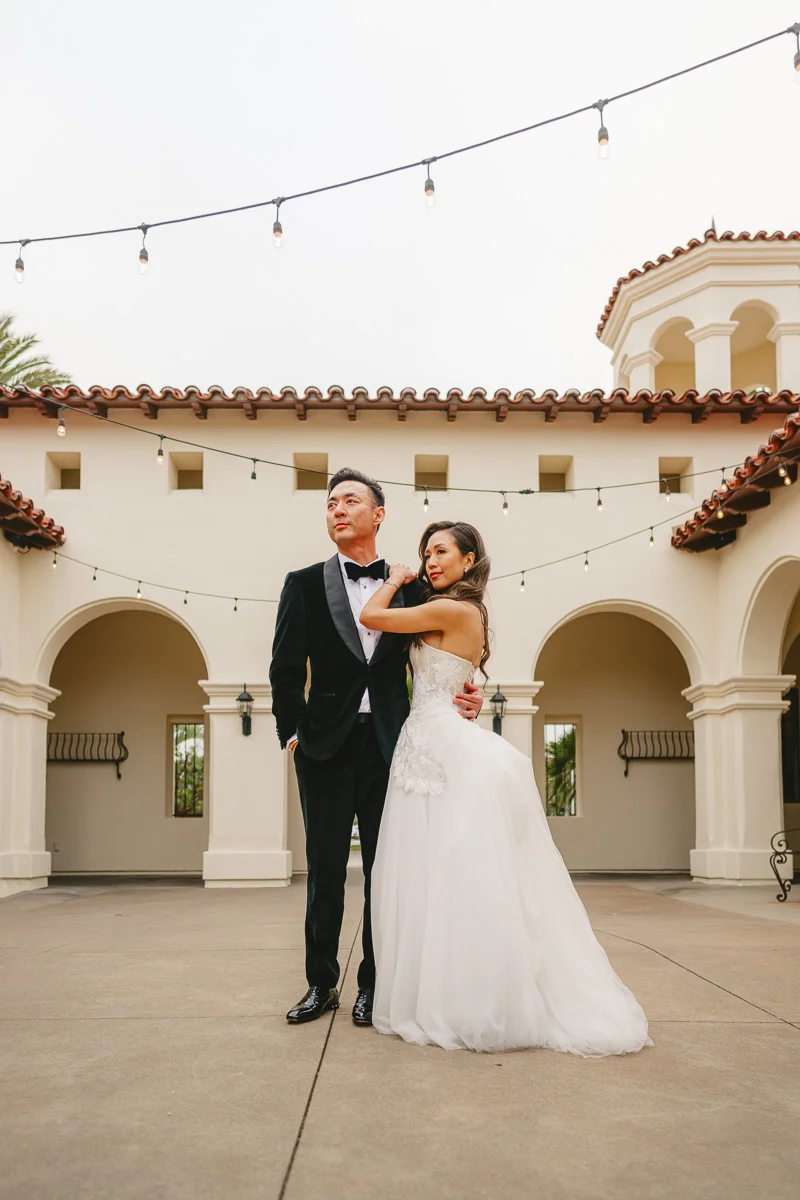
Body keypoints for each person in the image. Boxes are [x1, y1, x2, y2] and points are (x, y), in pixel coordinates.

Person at [360, 520, 652, 1056]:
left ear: (470, 560)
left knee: (448, 872)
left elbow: (371, 616)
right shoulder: (467, 612)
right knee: (438, 871)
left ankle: (466, 998)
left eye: (441, 552)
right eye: (425, 554)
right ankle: (447, 991)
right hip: (428, 739)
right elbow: (453, 680)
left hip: (438, 747)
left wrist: (395, 575)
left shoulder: (453, 609)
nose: (429, 561)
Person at [269, 470, 483, 1028]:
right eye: (332, 502)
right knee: (325, 870)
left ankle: (372, 984)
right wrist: (290, 732)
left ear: (378, 515)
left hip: (393, 746)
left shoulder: (413, 589)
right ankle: (320, 984)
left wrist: (470, 695)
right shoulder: (302, 583)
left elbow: (452, 649)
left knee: (388, 872)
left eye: (352, 501)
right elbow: (286, 669)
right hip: (323, 747)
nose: (339, 509)